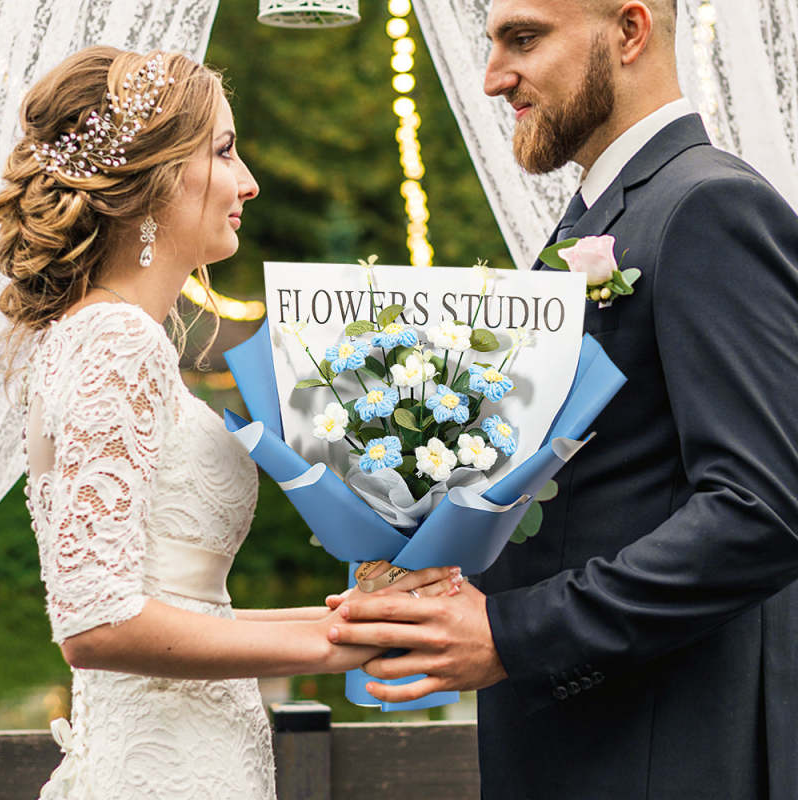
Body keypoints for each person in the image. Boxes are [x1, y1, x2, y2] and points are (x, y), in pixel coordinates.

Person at [326, 1, 798, 797]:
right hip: (578, 747)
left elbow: (764, 509)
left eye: (523, 39)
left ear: (630, 30)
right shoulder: (594, 221)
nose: (492, 78)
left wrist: (512, 633)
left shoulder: (708, 206)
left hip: (662, 757)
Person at [0, 46, 463, 799]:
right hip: (162, 771)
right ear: (154, 178)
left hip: (192, 752)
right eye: (223, 151)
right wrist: (333, 648)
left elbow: (185, 605)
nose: (249, 181)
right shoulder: (115, 340)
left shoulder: (108, 335)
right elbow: (96, 624)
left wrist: (360, 620)